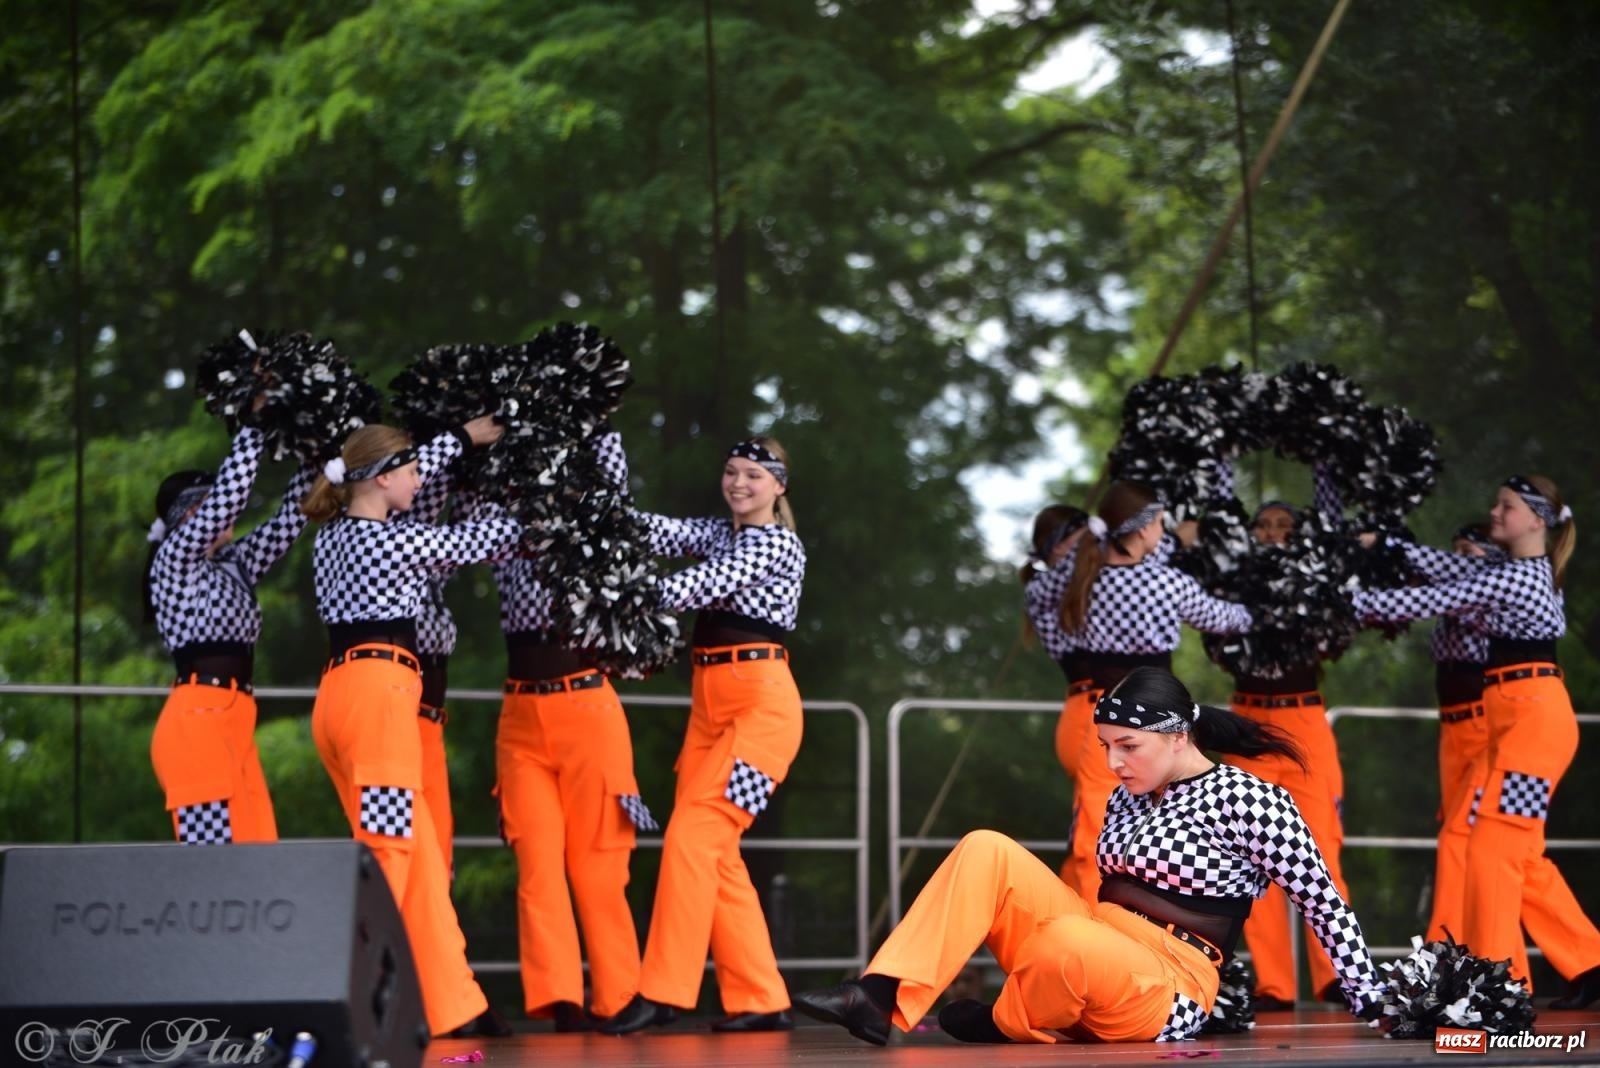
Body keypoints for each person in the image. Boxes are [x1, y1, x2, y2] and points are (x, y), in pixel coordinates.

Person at [793, 666, 1384, 1044]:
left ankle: (1008, 1023)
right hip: (1100, 939)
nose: (1113, 763)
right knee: (986, 848)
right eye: (1105, 746)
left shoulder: (1249, 797)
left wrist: (1374, 1001)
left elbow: (1322, 902)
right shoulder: (1127, 795)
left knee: (1064, 945)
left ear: (1179, 737)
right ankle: (878, 994)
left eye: (1128, 746)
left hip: (1170, 982)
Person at [302, 416, 522, 1039]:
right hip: (380, 698)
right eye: (413, 471)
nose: (421, 481)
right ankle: (358, 1007)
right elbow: (488, 542)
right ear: (382, 478)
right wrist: (538, 505)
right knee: (392, 857)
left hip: (341, 698)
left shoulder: (333, 536)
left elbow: (404, 478)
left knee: (420, 857)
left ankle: (452, 1005)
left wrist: (460, 437)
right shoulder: (392, 542)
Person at [1353, 475, 1600, 1009]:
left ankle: (1495, 990)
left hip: (1534, 728)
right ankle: (1578, 965)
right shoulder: (1508, 569)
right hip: (1515, 725)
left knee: (1492, 852)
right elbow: (1450, 568)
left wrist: (1347, 600)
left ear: (1536, 520)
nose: (1494, 512)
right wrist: (1388, 545)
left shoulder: (1521, 578)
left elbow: (1441, 595)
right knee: (1512, 852)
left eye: (1506, 506)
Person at [602, 436, 807, 1036]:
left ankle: (664, 990)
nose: (739, 483)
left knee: (695, 836)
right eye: (731, 472)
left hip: (763, 710)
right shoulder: (719, 531)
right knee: (714, 855)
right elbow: (649, 530)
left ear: (778, 487)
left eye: (753, 475)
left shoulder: (775, 542)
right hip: (708, 708)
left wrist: (621, 595)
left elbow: (698, 585)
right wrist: (591, 506)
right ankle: (761, 996)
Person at [493, 428, 653, 1031]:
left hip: (587, 707)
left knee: (599, 861)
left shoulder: (596, 526)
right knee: (536, 860)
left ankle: (622, 996)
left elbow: (613, 477)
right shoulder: (504, 524)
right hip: (520, 716)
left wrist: (595, 415)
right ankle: (558, 997)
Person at [1054, 480, 1253, 902]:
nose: (1164, 532)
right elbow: (1225, 619)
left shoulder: (1086, 577)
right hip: (1155, 724)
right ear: (1144, 529)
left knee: (1097, 827)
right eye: (1160, 523)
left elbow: (1139, 553)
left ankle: (1090, 929)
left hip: (1103, 721)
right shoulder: (1166, 583)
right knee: (1166, 829)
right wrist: (1262, 606)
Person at [145, 422, 313, 844]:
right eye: (209, 503)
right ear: (188, 515)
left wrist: (318, 457)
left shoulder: (233, 561)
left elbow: (291, 520)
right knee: (213, 867)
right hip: (197, 721)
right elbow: (229, 499)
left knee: (259, 850)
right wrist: (256, 424)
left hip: (234, 719)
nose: (229, 512)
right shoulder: (175, 557)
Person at [1224, 473, 1355, 1011]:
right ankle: (1272, 984)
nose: (1274, 533)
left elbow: (1333, 533)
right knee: (1246, 859)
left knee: (1321, 852)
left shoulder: (1318, 581)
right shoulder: (1233, 584)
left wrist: (1329, 468)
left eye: (1285, 525)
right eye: (1264, 525)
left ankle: (1340, 975)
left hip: (1303, 722)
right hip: (1248, 723)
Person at [1020, 505, 1093, 816]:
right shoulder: (1042, 587)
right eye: (1086, 537)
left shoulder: (1084, 581)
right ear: (1061, 544)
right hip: (1089, 712)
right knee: (1098, 828)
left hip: (1095, 710)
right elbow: (1075, 568)